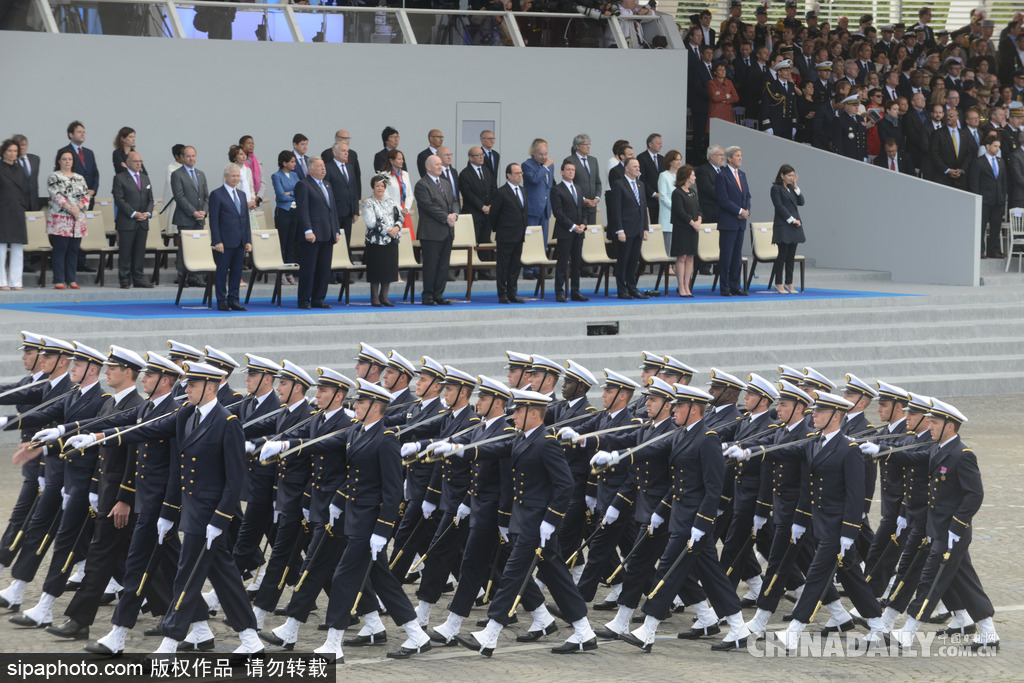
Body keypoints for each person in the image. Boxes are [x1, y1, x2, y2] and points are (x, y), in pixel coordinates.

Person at [455, 389, 598, 657]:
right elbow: (495, 448)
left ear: (534, 413)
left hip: (537, 523)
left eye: (518, 411)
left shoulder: (546, 441)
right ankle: (584, 631)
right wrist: (460, 450)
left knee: (512, 574)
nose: (514, 416)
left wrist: (551, 520)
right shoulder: (522, 439)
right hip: (527, 521)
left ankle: (491, 633)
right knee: (557, 577)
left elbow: (565, 484)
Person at [314, 379, 432, 662]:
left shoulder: (386, 439)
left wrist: (382, 530)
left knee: (344, 576)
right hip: (355, 516)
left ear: (376, 407)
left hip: (370, 522)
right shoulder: (356, 431)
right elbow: (353, 476)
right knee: (382, 580)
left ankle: (334, 642)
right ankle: (417, 634)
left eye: (361, 403)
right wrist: (338, 502)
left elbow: (392, 492)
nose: (354, 406)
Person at [295, 157, 340, 310]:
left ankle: (318, 298)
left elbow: (332, 209)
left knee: (324, 269)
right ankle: (304, 300)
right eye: (319, 166)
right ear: (311, 169)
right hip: (312, 235)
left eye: (323, 166)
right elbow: (302, 210)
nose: (323, 168)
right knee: (309, 269)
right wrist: (308, 230)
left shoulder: (327, 184)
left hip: (327, 234)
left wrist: (336, 230)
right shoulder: (303, 185)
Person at [414, 155, 458, 306]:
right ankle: (428, 296)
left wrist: (454, 214)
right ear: (428, 167)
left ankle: (439, 294)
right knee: (431, 265)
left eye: (441, 164)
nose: (441, 166)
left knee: (443, 266)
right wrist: (446, 217)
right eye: (437, 164)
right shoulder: (422, 185)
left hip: (447, 231)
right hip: (431, 232)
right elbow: (428, 206)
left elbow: (454, 201)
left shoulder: (445, 183)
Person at [208, 163, 253, 312]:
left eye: (238, 176)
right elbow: (214, 221)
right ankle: (222, 300)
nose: (235, 179)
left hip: (240, 242)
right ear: (225, 176)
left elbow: (245, 220)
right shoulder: (217, 194)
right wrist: (217, 241)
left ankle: (234, 300)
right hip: (224, 242)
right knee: (222, 272)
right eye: (233, 176)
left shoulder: (242, 195)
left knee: (237, 273)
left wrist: (248, 241)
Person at [45, 149, 90, 290]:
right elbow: (56, 195)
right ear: (59, 161)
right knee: (60, 249)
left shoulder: (79, 178)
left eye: (69, 159)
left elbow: (86, 195)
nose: (67, 162)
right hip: (61, 219)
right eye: (64, 159)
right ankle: (58, 279)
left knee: (73, 250)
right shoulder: (54, 177)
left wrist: (79, 207)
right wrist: (71, 208)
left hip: (78, 220)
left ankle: (71, 279)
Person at [111, 151, 155, 289]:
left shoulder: (145, 178)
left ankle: (139, 279)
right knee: (125, 252)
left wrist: (147, 213)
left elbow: (150, 199)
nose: (138, 164)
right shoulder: (119, 178)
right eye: (135, 161)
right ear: (128, 162)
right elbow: (119, 200)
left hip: (143, 221)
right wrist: (134, 213)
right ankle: (124, 279)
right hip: (127, 221)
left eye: (140, 161)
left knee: (139, 252)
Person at [608, 158, 650, 300]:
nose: (638, 169)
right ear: (626, 168)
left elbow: (643, 207)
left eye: (638, 166)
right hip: (625, 229)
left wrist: (645, 228)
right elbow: (616, 209)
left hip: (638, 229)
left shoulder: (640, 184)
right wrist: (619, 230)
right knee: (623, 260)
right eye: (634, 166)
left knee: (634, 260)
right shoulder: (619, 184)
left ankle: (632, 287)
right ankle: (622, 289)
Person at [714, 146, 751, 297]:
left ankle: (736, 285)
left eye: (741, 155)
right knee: (726, 256)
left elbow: (747, 195)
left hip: (741, 222)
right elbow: (723, 199)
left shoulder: (742, 174)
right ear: (729, 158)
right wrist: (739, 211)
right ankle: (725, 286)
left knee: (737, 256)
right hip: (729, 221)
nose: (740, 158)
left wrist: (746, 210)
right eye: (737, 155)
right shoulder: (722, 175)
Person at [170, 146, 209, 287]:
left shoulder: (201, 174)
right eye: (188, 156)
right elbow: (179, 197)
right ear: (182, 158)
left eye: (193, 156)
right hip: (186, 218)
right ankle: (183, 278)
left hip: (200, 219)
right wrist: (193, 212)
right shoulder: (177, 174)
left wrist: (204, 212)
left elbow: (206, 197)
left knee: (197, 249)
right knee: (184, 250)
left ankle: (195, 278)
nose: (191, 158)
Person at [489, 164, 528, 305]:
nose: (520, 175)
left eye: (521, 173)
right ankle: (502, 293)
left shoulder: (523, 190)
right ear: (508, 175)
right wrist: (499, 229)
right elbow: (493, 214)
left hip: (519, 235)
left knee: (515, 266)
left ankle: (513, 293)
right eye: (516, 173)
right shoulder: (502, 192)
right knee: (503, 266)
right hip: (506, 235)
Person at [550, 160, 587, 303]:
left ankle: (575, 291)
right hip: (565, 231)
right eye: (568, 170)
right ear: (562, 172)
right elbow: (558, 213)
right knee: (562, 262)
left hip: (579, 231)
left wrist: (583, 224)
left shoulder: (578, 188)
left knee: (577, 263)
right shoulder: (557, 189)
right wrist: (573, 226)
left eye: (573, 170)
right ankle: (559, 292)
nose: (571, 172)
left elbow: (582, 209)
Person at [362, 172, 402, 307]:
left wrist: (396, 228)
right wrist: (388, 231)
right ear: (372, 187)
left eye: (382, 186)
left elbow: (400, 217)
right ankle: (375, 298)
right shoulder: (368, 202)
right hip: (376, 242)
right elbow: (371, 222)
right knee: (376, 271)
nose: (380, 188)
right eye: (377, 185)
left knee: (389, 270)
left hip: (391, 241)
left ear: (385, 188)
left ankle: (384, 297)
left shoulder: (390, 202)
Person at [969, 133, 1007, 259]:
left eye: (999, 146)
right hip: (984, 200)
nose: (997, 149)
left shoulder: (1000, 162)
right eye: (995, 146)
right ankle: (980, 250)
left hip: (998, 200)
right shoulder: (978, 162)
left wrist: (1002, 197)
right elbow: (974, 183)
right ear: (987, 146)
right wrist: (977, 198)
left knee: (996, 226)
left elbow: (1003, 181)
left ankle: (994, 250)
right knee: (981, 226)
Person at [769, 164, 805, 295]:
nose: (791, 178)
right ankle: (778, 283)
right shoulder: (776, 189)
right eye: (789, 175)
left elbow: (801, 202)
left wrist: (796, 187)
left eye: (793, 175)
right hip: (784, 225)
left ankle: (789, 282)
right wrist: (791, 219)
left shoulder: (791, 188)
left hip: (794, 226)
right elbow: (779, 206)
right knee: (782, 255)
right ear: (782, 175)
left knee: (791, 256)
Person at [0, 138, 29, 291]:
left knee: (18, 247)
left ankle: (16, 281)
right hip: (3, 211)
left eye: (15, 151)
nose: (12, 154)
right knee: (1, 247)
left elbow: (24, 190)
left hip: (17, 210)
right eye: (10, 150)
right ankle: (1, 281)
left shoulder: (20, 169)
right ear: (4, 152)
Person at [670, 164, 701, 298]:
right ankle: (681, 286)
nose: (694, 177)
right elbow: (680, 212)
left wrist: (699, 220)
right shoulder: (677, 192)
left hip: (693, 229)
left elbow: (699, 209)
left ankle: (687, 286)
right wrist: (692, 222)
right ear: (687, 177)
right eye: (693, 175)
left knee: (690, 257)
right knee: (682, 257)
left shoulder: (693, 192)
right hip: (682, 229)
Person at [324, 142, 360, 251]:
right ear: (335, 152)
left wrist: (355, 211)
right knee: (336, 240)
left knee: (346, 240)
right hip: (335, 210)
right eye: (343, 151)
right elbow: (326, 191)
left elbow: (354, 189)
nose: (346, 153)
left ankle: (347, 260)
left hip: (348, 211)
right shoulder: (328, 168)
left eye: (347, 151)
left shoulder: (350, 167)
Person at [271, 150, 300, 280]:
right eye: (292, 162)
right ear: (284, 163)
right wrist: (291, 195)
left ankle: (290, 272)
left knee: (292, 243)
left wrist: (291, 193)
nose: (294, 164)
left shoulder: (295, 175)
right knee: (282, 242)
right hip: (283, 212)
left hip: (295, 212)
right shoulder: (276, 176)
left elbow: (300, 192)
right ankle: (281, 272)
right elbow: (281, 195)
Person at [459, 147, 494, 247]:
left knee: (485, 245)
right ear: (470, 158)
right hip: (473, 215)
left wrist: (491, 205)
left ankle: (483, 262)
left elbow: (493, 189)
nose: (481, 157)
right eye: (478, 155)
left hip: (487, 216)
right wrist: (482, 207)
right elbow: (468, 194)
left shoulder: (487, 171)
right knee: (473, 245)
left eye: (482, 155)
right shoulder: (464, 174)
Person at [522, 138, 555, 244]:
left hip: (546, 209)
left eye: (546, 154)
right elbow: (535, 179)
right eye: (541, 154)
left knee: (543, 241)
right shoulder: (527, 165)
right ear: (533, 152)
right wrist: (545, 167)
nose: (544, 157)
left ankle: (543, 259)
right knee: (531, 241)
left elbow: (549, 185)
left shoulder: (551, 166)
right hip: (533, 208)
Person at [564, 134, 601, 227]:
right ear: (577, 146)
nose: (589, 146)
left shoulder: (593, 160)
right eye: (586, 144)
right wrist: (583, 200)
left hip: (592, 206)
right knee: (579, 235)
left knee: (590, 235)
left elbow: (597, 182)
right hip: (577, 206)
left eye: (589, 144)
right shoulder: (570, 161)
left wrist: (597, 198)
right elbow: (569, 184)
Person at [384, 149, 415, 239]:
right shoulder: (385, 175)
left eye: (402, 159)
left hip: (405, 211)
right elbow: (386, 196)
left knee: (408, 239)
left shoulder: (405, 174)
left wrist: (406, 208)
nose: (402, 161)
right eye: (399, 159)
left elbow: (410, 194)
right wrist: (399, 208)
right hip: (393, 211)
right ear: (391, 160)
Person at [229, 145, 260, 233]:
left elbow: (251, 187)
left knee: (252, 233)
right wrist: (244, 203)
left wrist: (253, 200)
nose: (244, 156)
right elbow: (231, 190)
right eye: (241, 154)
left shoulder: (248, 170)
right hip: (237, 206)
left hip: (249, 206)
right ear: (235, 157)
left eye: (245, 154)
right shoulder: (231, 170)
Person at [658, 150, 683, 255]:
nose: (679, 162)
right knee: (668, 243)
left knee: (678, 243)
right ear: (670, 161)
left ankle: (675, 265)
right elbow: (663, 196)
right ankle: (668, 266)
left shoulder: (681, 176)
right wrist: (676, 207)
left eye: (680, 159)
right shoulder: (663, 175)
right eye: (676, 159)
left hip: (680, 215)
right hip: (668, 213)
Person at [637, 134, 665, 224]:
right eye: (658, 143)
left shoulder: (662, 159)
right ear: (650, 144)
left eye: (661, 143)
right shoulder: (641, 158)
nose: (661, 145)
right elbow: (642, 179)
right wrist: (653, 194)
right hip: (649, 197)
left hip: (661, 198)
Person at [12, 135, 41, 211]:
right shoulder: (11, 162)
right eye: (18, 145)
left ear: (27, 146)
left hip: (34, 202)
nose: (21, 147)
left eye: (23, 145)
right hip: (17, 203)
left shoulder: (35, 159)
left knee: (34, 223)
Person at [708, 63, 740, 129]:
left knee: (728, 135)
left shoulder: (729, 82)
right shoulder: (711, 83)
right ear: (715, 72)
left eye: (724, 69)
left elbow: (736, 98)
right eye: (720, 70)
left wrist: (725, 101)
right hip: (716, 113)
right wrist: (727, 96)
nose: (723, 72)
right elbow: (714, 98)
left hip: (728, 113)